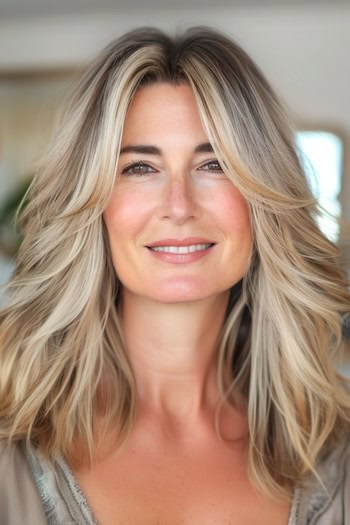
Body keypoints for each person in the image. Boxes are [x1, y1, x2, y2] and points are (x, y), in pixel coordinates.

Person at [0, 25, 350, 525]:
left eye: (214, 163)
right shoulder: (11, 442)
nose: (179, 206)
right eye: (140, 168)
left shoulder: (333, 454)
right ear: (92, 202)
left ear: (261, 195)